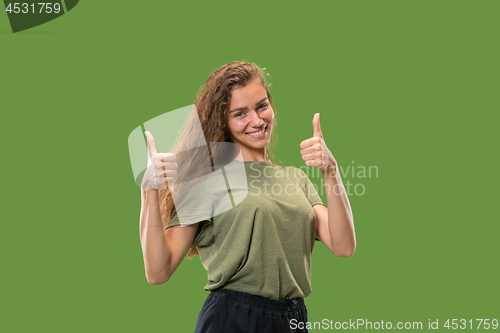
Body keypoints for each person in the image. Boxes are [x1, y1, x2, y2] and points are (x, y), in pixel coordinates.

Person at [139, 61, 356, 333]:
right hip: (232, 319)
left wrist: (331, 172)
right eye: (240, 113)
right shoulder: (208, 181)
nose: (257, 121)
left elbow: (344, 246)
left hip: (292, 319)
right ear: (224, 121)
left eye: (262, 106)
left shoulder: (295, 179)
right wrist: (148, 191)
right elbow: (158, 272)